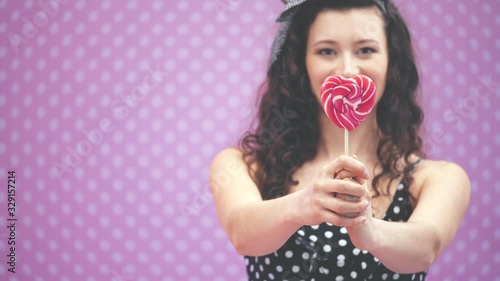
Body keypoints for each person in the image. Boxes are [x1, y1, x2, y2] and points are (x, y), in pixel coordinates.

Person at [209, 0, 471, 280]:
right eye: (326, 51)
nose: (347, 70)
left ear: (391, 60)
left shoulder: (437, 178)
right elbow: (242, 234)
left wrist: (368, 230)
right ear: (301, 63)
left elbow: (425, 247)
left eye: (366, 50)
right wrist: (302, 205)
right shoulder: (242, 165)